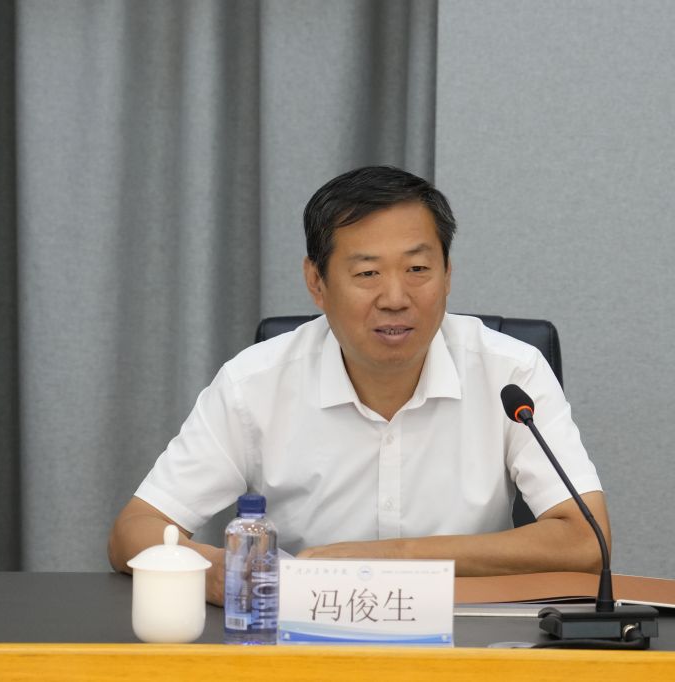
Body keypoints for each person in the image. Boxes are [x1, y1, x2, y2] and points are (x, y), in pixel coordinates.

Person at [108, 166, 611, 605]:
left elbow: (585, 540)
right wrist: (221, 573)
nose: (395, 297)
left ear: (448, 274)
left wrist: (389, 558)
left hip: (468, 642)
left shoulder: (511, 373)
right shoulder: (255, 383)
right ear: (317, 282)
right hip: (303, 642)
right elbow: (135, 530)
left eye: (418, 269)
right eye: (368, 272)